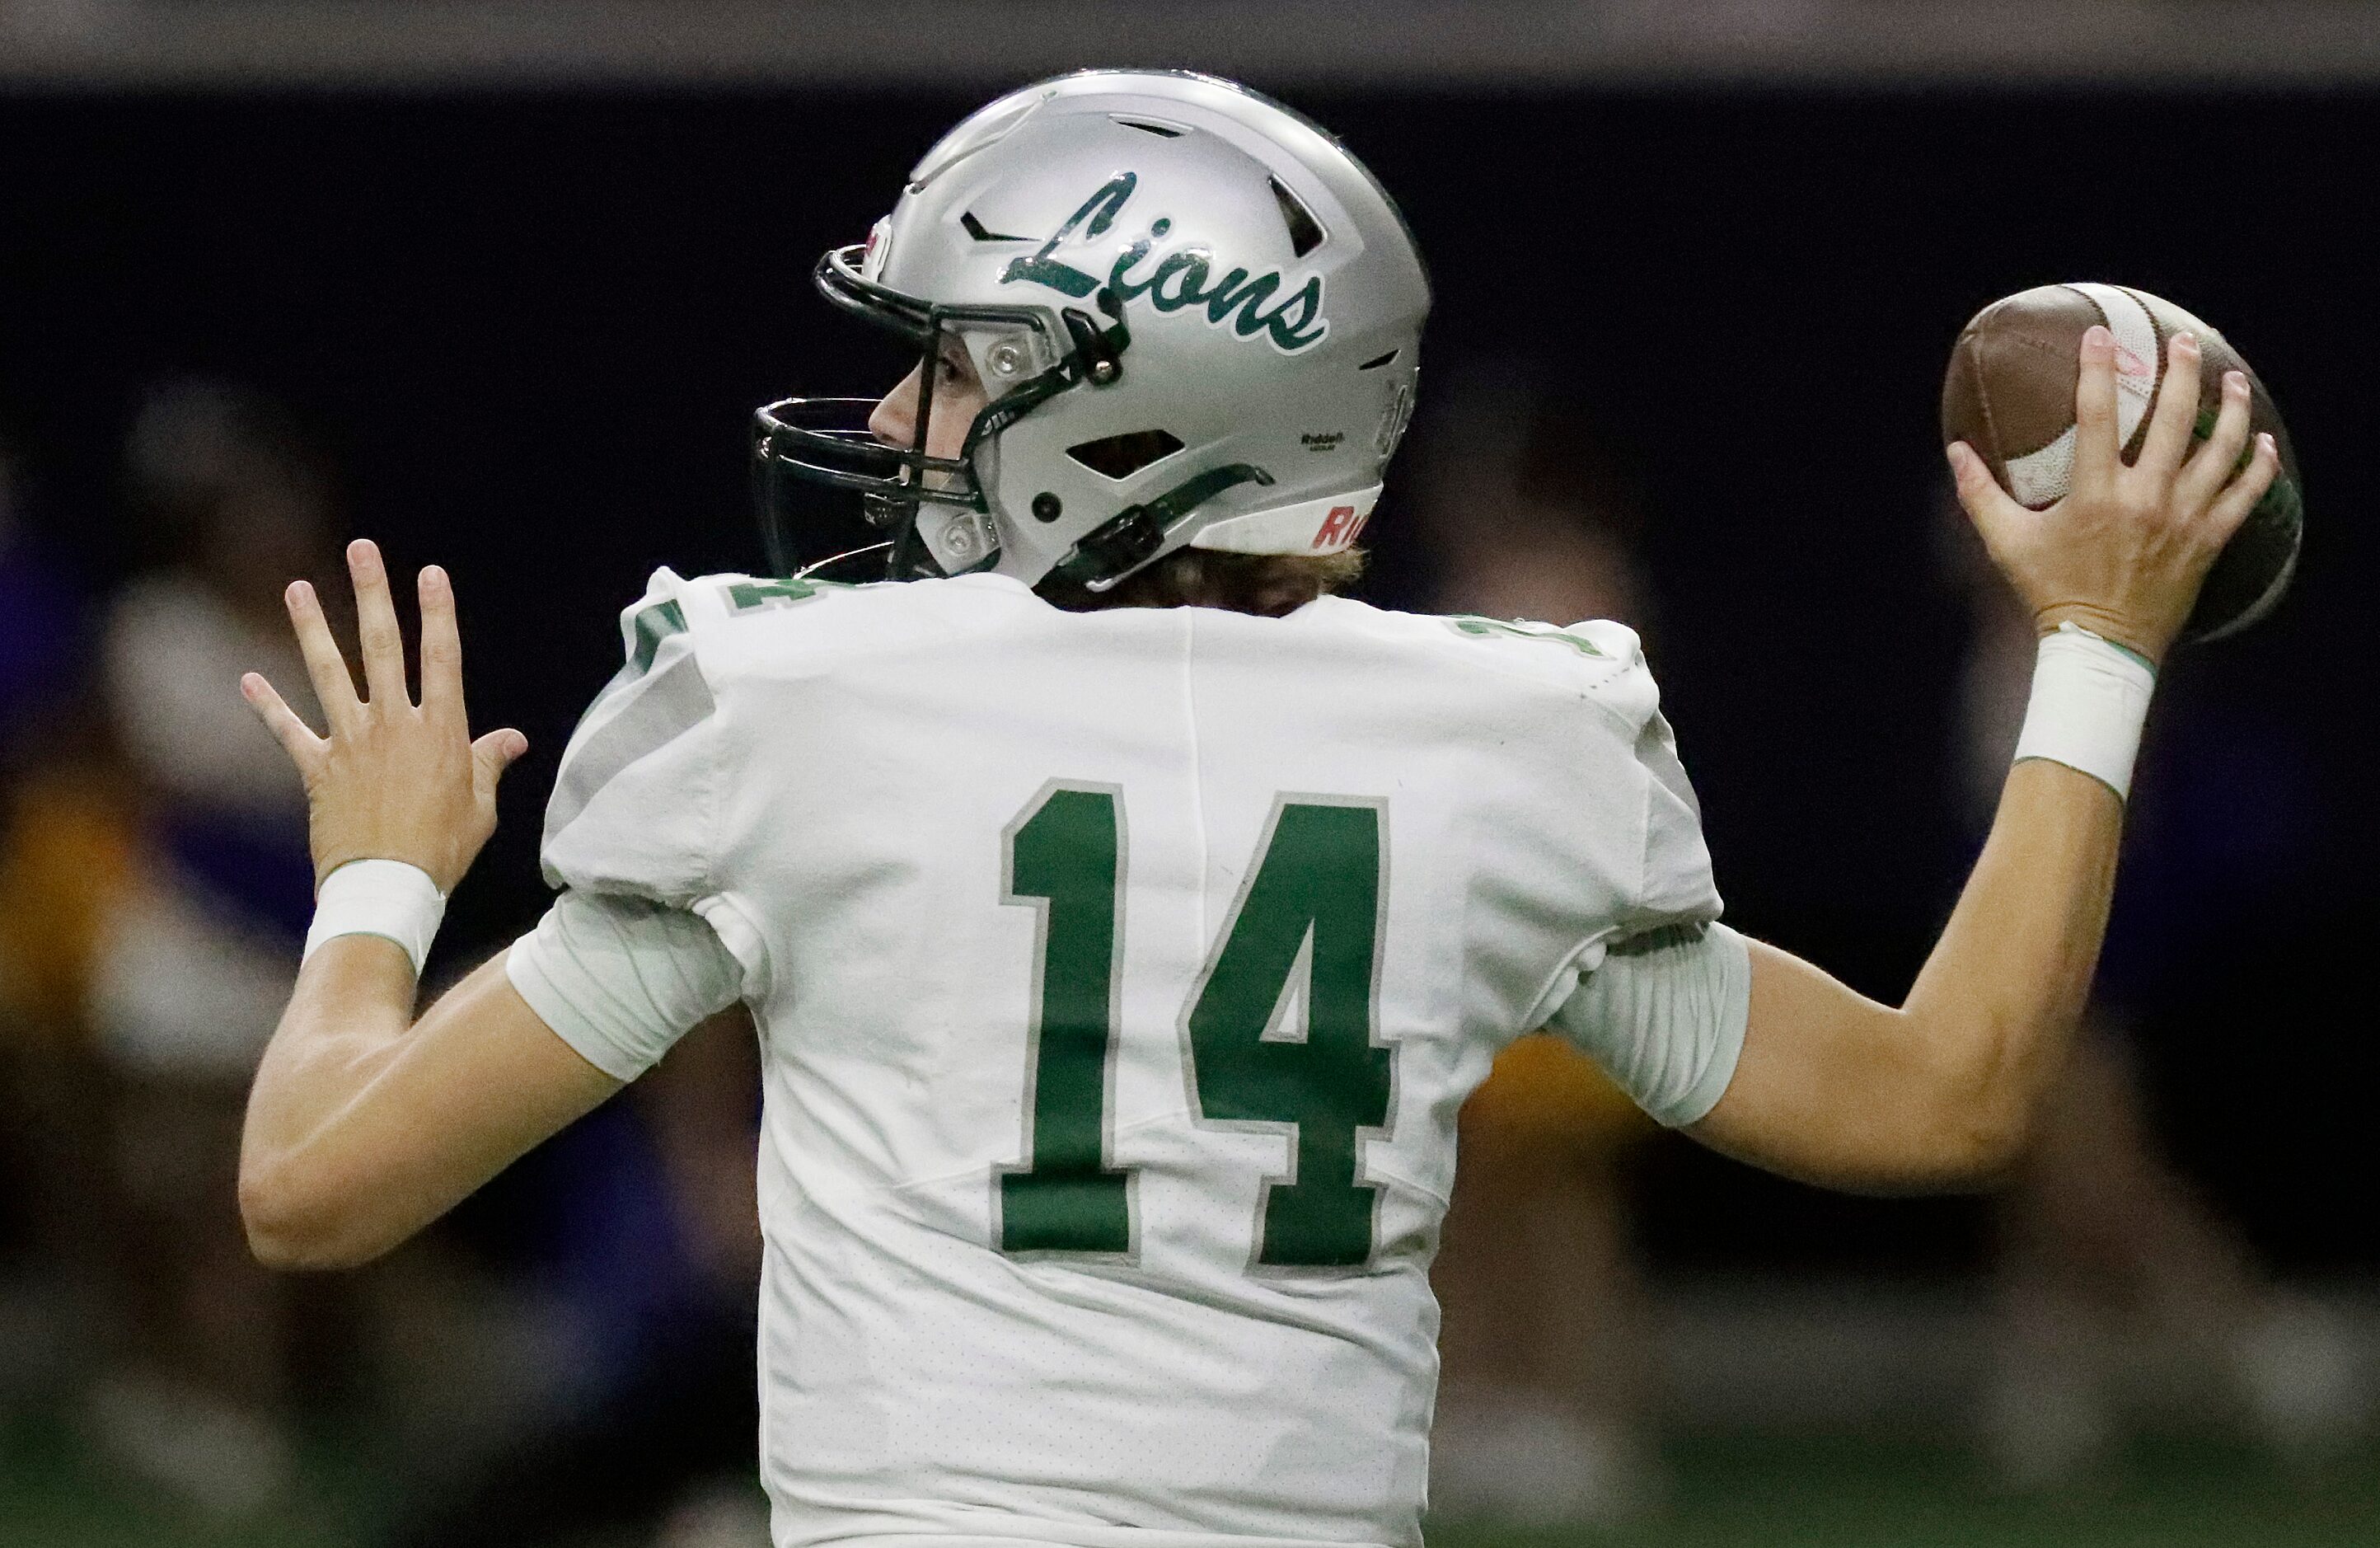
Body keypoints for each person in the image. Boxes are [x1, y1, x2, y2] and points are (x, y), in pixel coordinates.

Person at [231, 70, 2278, 1548]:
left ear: (1129, 403)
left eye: (959, 367)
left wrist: (380, 879)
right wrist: (2096, 644)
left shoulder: (798, 707)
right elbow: (1947, 1099)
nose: (895, 422)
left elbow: (313, 1189)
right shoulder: (1497, 738)